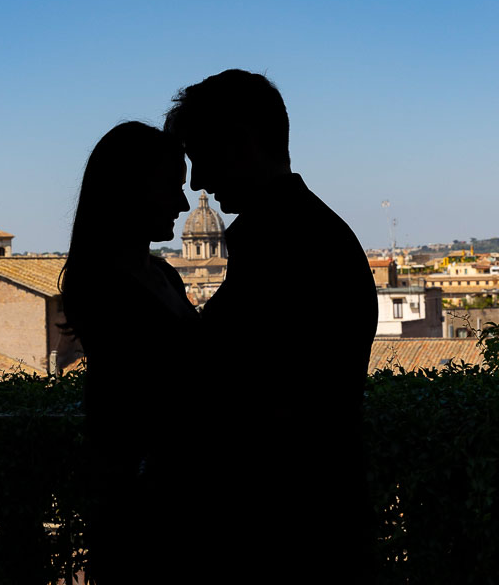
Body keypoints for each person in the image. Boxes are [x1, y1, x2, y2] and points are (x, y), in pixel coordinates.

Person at [164, 70, 378, 583]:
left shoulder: (281, 242)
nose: (195, 183)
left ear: (241, 142)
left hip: (285, 534)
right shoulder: (308, 229)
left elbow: (248, 398)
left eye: (199, 156)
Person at [59, 121, 198, 583]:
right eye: (170, 187)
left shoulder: (163, 275)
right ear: (131, 190)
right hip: (142, 502)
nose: (182, 202)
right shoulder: (100, 285)